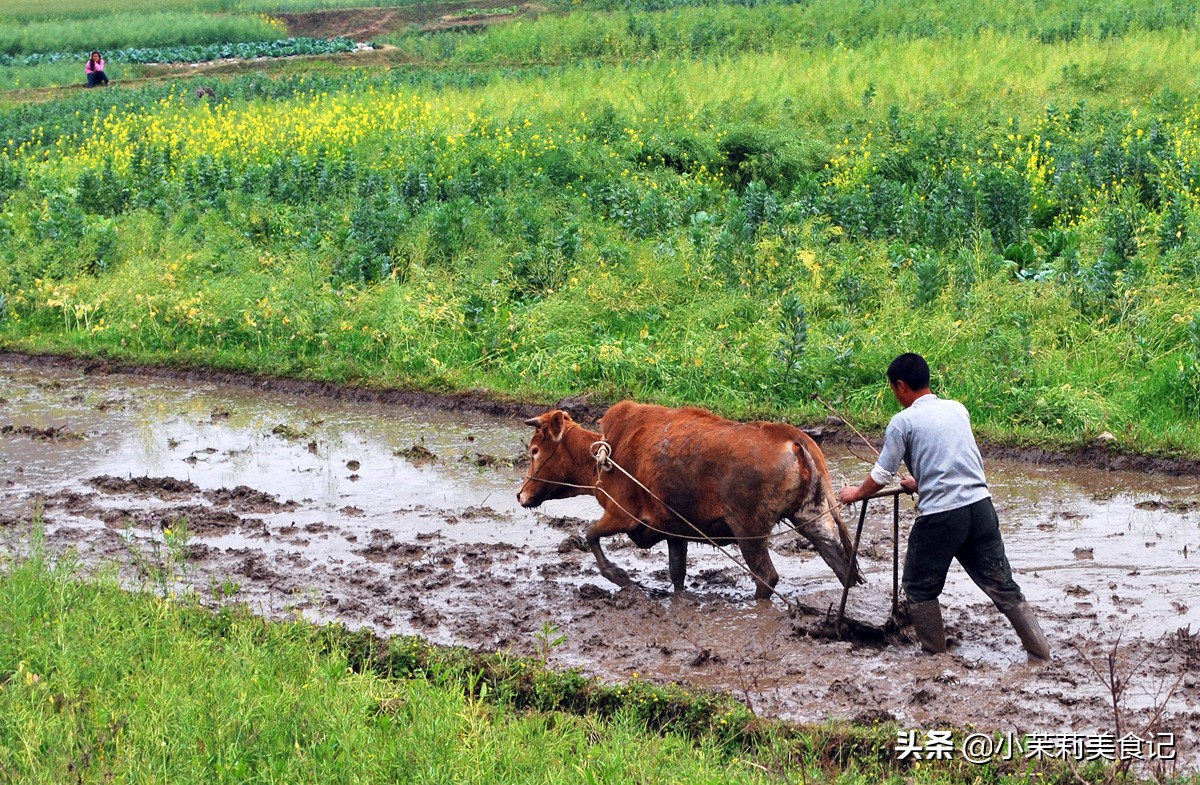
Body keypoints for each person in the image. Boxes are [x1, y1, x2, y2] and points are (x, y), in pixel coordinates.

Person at [838, 352, 1050, 661]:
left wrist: (856, 493)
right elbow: (958, 461)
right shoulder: (957, 409)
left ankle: (934, 658)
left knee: (918, 587)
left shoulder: (902, 422)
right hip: (980, 509)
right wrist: (919, 482)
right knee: (1003, 586)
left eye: (893, 389)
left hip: (942, 517)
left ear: (900, 386)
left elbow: (882, 475)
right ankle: (1041, 652)